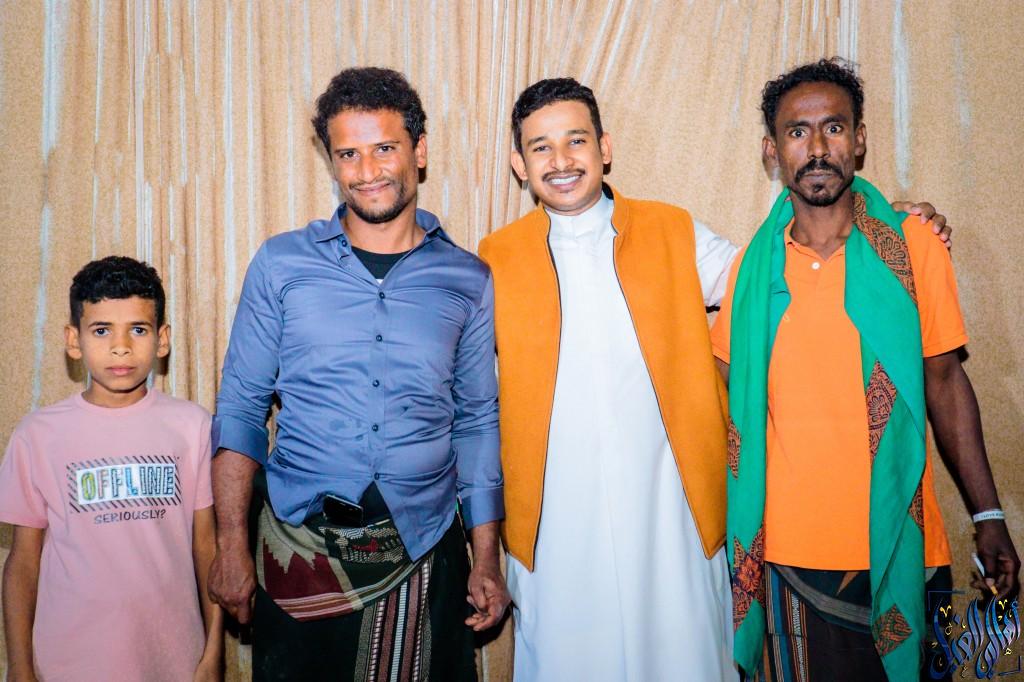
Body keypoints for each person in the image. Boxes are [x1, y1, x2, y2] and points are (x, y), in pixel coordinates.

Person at [477, 77, 952, 682]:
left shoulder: (672, 229)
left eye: (576, 140)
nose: (562, 160)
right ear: (519, 164)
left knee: (684, 655)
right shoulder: (494, 258)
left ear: (605, 147)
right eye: (540, 147)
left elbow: (772, 267)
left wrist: (886, 223)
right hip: (555, 518)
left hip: (671, 507)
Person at [712, 58, 1021, 682]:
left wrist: (988, 516)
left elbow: (945, 382)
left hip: (906, 547)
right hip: (790, 560)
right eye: (797, 132)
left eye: (833, 128)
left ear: (858, 140)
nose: (816, 148)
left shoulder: (913, 246)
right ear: (773, 151)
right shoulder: (749, 271)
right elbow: (725, 396)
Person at [207, 67, 508, 681]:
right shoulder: (281, 264)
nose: (367, 170)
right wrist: (230, 545)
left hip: (425, 551)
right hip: (299, 556)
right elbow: (239, 411)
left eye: (385, 148)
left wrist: (487, 556)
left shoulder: (468, 279)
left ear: (419, 152)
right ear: (332, 162)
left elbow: (477, 423)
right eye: (348, 154)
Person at [0, 256, 223, 682]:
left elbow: (206, 547)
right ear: (74, 340)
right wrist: (20, 665)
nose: (121, 347)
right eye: (101, 330)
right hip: (69, 662)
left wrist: (213, 649)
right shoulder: (38, 435)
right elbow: (23, 562)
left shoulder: (191, 426)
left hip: (174, 659)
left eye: (137, 330)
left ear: (161, 340)